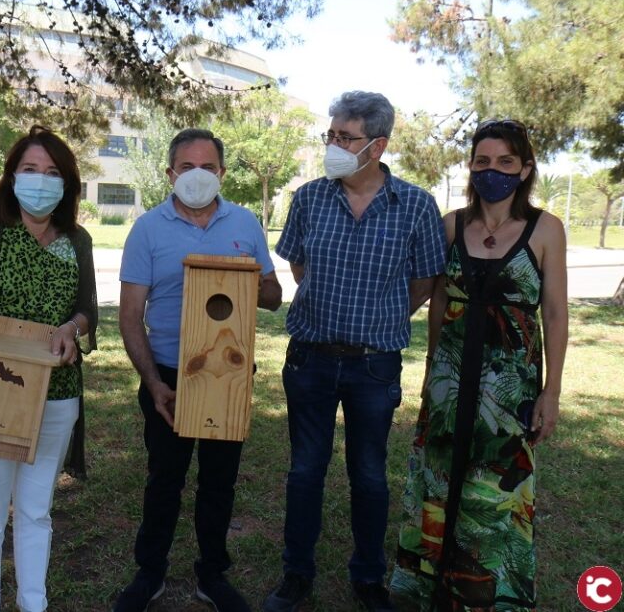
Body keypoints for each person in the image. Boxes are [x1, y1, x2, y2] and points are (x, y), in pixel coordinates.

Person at [263, 91, 446, 612]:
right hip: (310, 358)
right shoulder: (309, 197)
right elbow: (298, 268)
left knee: (368, 473)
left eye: (346, 137)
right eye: (332, 135)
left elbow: (425, 280)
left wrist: (377, 317)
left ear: (378, 145)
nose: (334, 146)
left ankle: (368, 577)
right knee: (305, 471)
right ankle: (296, 574)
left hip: (374, 364)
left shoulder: (415, 205)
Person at [390, 120, 568, 611]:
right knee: (439, 477)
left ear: (525, 168)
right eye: (483, 161)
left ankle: (489, 595)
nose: (493, 171)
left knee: (496, 489)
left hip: (509, 390)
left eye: (505, 162)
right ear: (471, 166)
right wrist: (430, 369)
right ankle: (429, 587)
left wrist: (551, 392)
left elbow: (554, 312)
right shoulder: (451, 224)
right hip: (449, 381)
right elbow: (439, 297)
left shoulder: (546, 229)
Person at [113, 128, 283, 612]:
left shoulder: (246, 223)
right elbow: (129, 316)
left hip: (228, 375)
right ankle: (150, 573)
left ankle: (213, 575)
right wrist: (153, 382)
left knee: (218, 480)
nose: (197, 176)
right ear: (170, 173)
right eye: (186, 167)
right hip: (167, 373)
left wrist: (251, 276)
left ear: (222, 173)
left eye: (207, 167)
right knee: (164, 477)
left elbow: (272, 298)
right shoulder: (148, 228)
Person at [0, 125, 97, 612]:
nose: (40, 180)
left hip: (57, 395)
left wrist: (71, 328)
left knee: (36, 512)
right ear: (10, 177)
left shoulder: (78, 240)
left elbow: (87, 308)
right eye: (30, 170)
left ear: (67, 184)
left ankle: (35, 605)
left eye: (52, 173)